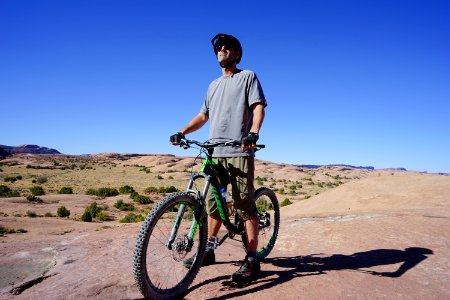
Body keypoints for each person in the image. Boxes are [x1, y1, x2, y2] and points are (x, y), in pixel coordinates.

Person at [170, 33, 267, 284]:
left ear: (236, 54)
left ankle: (253, 259)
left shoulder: (248, 76)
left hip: (238, 150)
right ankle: (209, 250)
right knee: (213, 205)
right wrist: (182, 132)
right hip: (214, 154)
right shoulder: (212, 85)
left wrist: (253, 132)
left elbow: (258, 106)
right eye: (218, 48)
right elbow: (203, 116)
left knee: (244, 204)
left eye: (226, 47)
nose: (221, 50)